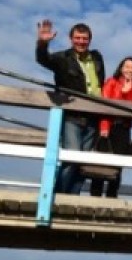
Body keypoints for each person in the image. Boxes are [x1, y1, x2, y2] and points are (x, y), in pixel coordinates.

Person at [35, 19, 105, 195]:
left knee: (83, 163)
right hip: (72, 115)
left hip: (93, 116)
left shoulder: (96, 58)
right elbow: (43, 59)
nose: (81, 41)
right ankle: (57, 196)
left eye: (84, 38)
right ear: (70, 39)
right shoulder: (62, 58)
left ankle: (73, 198)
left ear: (90, 40)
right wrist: (43, 43)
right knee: (71, 156)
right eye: (77, 38)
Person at [89, 56, 132, 198]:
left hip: (124, 129)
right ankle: (95, 195)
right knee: (100, 161)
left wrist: (128, 91)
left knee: (118, 163)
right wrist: (104, 128)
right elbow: (105, 105)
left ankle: (111, 194)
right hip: (107, 125)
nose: (130, 70)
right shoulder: (111, 82)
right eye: (127, 66)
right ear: (121, 69)